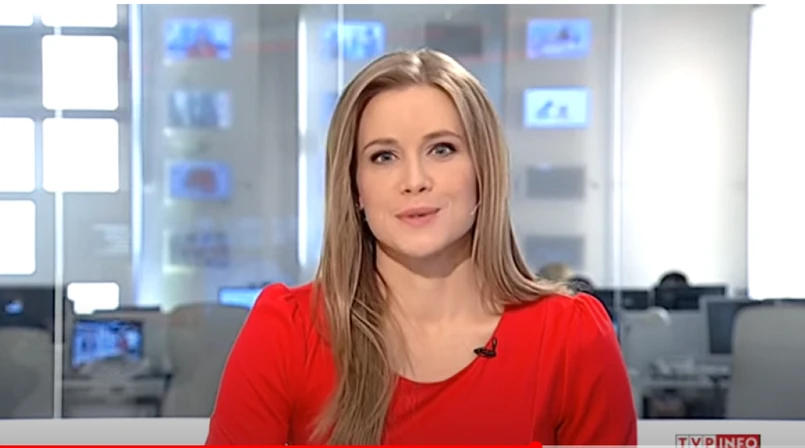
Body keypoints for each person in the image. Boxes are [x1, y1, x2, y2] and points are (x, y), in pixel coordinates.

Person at [206, 49, 637, 446]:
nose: (414, 180)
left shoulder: (570, 338)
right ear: (355, 187)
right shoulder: (288, 333)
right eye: (383, 156)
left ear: (483, 169)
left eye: (441, 149)